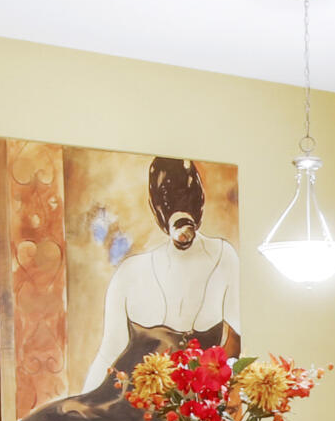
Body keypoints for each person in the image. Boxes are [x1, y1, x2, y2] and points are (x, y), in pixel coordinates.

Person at [83, 158, 240, 395]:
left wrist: (231, 397)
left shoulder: (223, 257)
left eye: (187, 196)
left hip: (194, 409)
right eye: (168, 200)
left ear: (200, 201)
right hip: (132, 405)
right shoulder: (131, 273)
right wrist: (82, 402)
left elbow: (238, 340)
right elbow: (108, 351)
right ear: (156, 208)